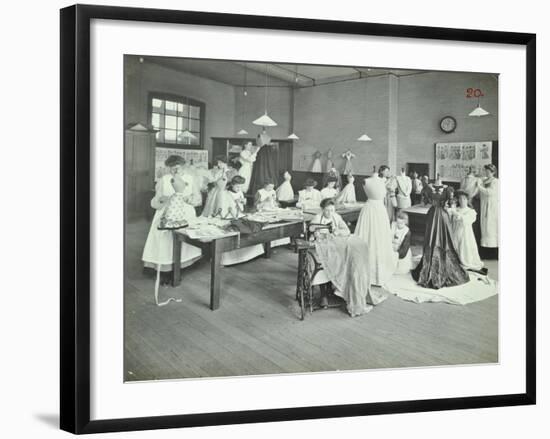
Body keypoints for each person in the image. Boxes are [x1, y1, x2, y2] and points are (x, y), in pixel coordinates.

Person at [310, 198, 388, 316]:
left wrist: (337, 231)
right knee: (332, 257)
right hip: (323, 245)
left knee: (354, 252)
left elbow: (346, 230)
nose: (330, 213)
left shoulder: (336, 217)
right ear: (322, 210)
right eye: (327, 211)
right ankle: (327, 292)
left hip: (336, 244)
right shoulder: (317, 218)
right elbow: (311, 230)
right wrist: (315, 232)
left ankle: (343, 288)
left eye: (332, 210)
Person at [142, 156, 202, 281]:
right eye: (172, 169)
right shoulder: (164, 179)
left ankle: (183, 263)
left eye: (178, 169)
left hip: (185, 211)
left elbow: (198, 199)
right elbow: (155, 201)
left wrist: (189, 199)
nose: (175, 171)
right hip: (167, 211)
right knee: (164, 238)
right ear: (169, 168)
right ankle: (164, 266)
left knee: (184, 238)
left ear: (183, 167)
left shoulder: (190, 179)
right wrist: (163, 200)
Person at [412, 177, 469, 289]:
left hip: (441, 215)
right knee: (431, 237)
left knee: (444, 238)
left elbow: (450, 203)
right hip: (434, 214)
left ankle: (443, 264)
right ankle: (429, 264)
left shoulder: (448, 189)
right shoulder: (429, 188)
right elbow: (425, 202)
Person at [354, 169, 396, 286]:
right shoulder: (366, 181)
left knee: (380, 237)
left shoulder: (383, 181)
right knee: (366, 236)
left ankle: (379, 270)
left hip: (379, 211)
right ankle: (366, 270)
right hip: (369, 210)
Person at [447, 190, 484, 271]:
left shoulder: (471, 211)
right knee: (454, 245)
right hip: (455, 231)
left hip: (465, 234)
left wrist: (456, 214)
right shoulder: (455, 209)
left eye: (464, 199)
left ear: (467, 200)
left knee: (465, 248)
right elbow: (449, 219)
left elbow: (466, 221)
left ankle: (464, 261)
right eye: (460, 199)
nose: (462, 201)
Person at [476, 164, 499, 258]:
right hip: (484, 206)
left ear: (493, 172)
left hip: (491, 207)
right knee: (484, 228)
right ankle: (485, 251)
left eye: (488, 171)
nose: (486, 172)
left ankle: (493, 252)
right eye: (486, 171)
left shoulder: (496, 181)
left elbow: (490, 192)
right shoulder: (485, 180)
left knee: (491, 229)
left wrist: (479, 186)